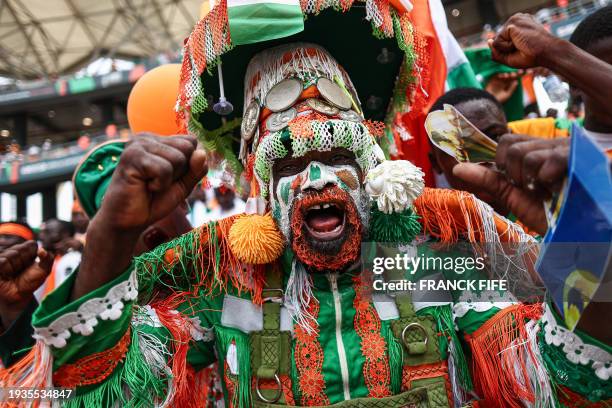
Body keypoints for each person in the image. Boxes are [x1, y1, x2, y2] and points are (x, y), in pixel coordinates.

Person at [2, 9, 609, 408]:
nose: (317, 179)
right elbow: (97, 392)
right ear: (263, 188)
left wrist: (587, 230)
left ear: (373, 169)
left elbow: (566, 373)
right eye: (291, 166)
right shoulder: (218, 265)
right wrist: (108, 238)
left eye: (337, 156)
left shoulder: (432, 240)